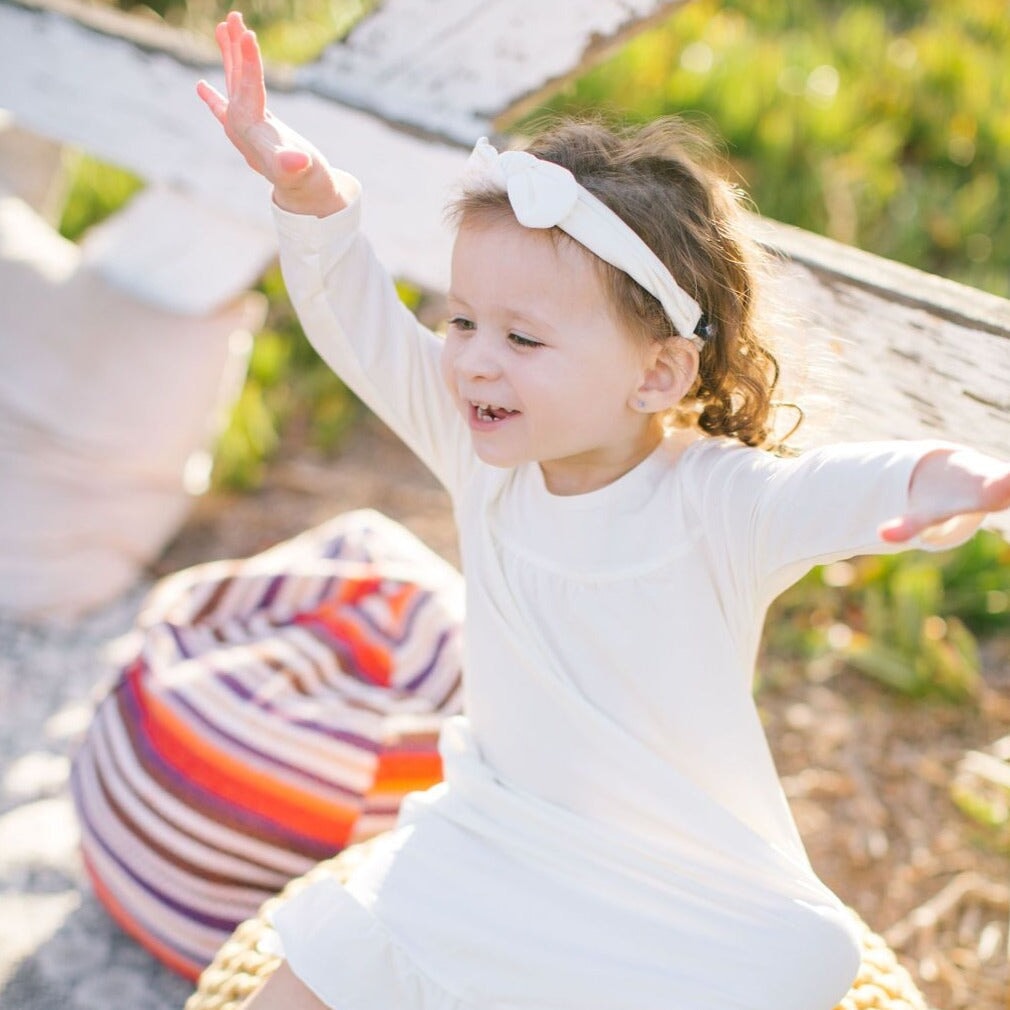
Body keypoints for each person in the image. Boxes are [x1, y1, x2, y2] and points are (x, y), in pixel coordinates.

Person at [196, 12, 1010, 1010]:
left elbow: (831, 486)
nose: (474, 357)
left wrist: (946, 478)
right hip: (494, 837)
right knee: (315, 972)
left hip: (678, 885)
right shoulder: (479, 448)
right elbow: (357, 322)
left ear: (655, 370)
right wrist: (309, 196)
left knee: (803, 956)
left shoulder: (714, 499)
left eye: (522, 338)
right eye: (462, 320)